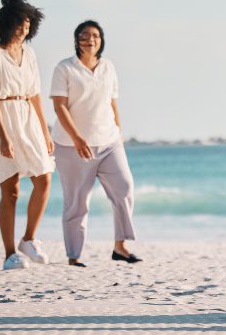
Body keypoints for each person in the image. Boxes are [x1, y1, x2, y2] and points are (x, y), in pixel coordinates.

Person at [50, 20, 140, 267]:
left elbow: (113, 103)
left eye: (96, 36)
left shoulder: (108, 67)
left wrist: (118, 131)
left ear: (102, 40)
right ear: (76, 40)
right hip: (71, 145)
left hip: (109, 141)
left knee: (124, 188)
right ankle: (74, 255)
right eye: (85, 36)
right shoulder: (65, 68)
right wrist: (77, 138)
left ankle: (120, 246)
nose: (91, 40)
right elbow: (59, 106)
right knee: (77, 201)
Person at [0, 0, 54, 270]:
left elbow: (35, 93)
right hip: (3, 120)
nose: (24, 28)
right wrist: (4, 136)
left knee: (44, 178)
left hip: (29, 119)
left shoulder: (30, 53)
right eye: (19, 22)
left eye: (27, 23)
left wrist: (45, 131)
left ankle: (29, 239)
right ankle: (10, 253)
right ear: (6, 23)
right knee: (11, 191)